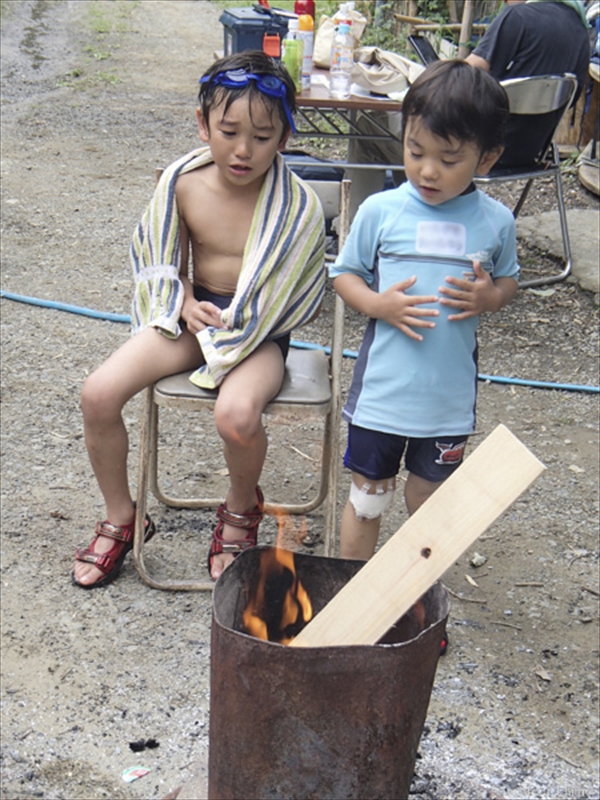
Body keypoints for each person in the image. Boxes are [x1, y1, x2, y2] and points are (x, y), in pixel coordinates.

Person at [72, 51, 326, 587]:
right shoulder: (183, 184)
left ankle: (239, 509)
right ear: (202, 123)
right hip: (196, 319)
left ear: (284, 138)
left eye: (262, 136)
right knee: (97, 393)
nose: (243, 149)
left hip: (260, 331)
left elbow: (292, 290)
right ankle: (124, 514)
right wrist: (182, 300)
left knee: (235, 416)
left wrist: (242, 328)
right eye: (229, 130)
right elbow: (163, 262)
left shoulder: (297, 205)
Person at [330, 60, 519, 561]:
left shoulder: (496, 222)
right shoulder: (381, 211)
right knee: (368, 500)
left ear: (488, 158)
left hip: (447, 400)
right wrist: (377, 304)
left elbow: (508, 281)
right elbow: (343, 274)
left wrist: (491, 298)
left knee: (430, 504)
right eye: (415, 151)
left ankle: (416, 605)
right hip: (382, 395)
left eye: (449, 158)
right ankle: (351, 601)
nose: (428, 170)